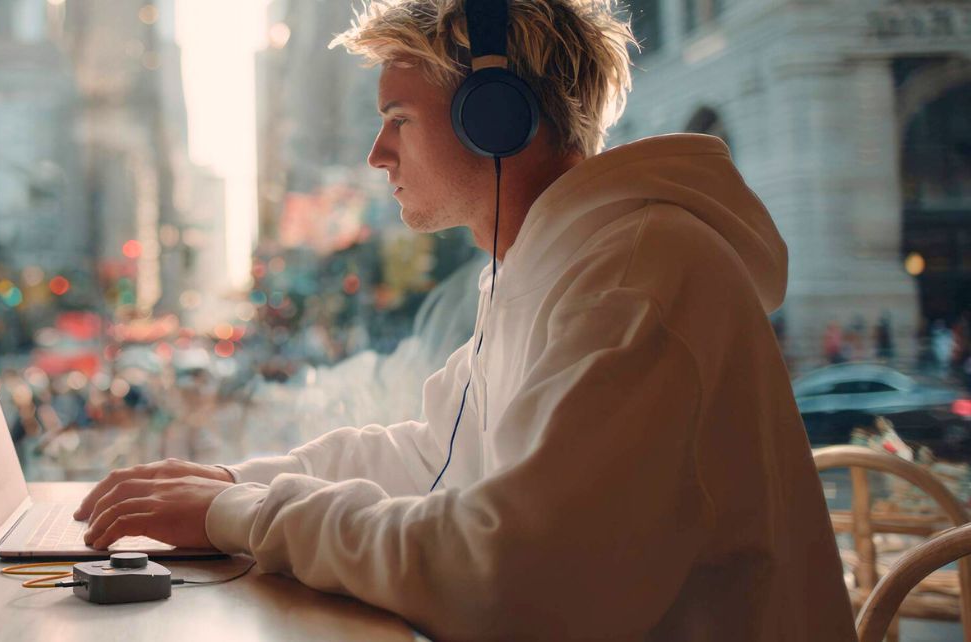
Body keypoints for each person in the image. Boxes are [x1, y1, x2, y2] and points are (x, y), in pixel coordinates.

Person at [74, 0, 855, 638]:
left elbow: (510, 581)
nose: (378, 152)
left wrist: (237, 515)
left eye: (400, 117)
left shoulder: (632, 280)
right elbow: (432, 457)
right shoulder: (548, 264)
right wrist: (228, 482)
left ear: (496, 116)